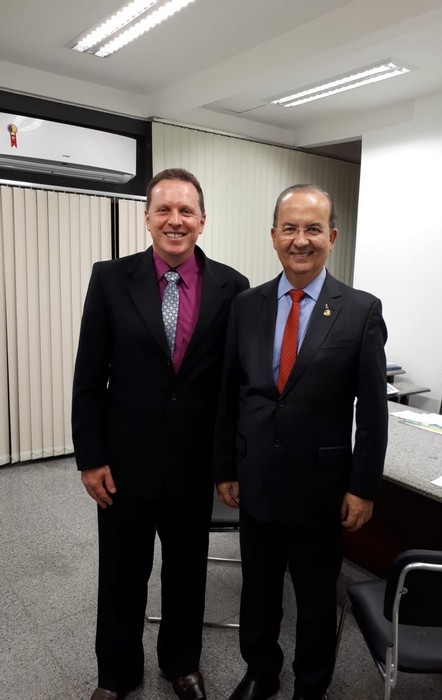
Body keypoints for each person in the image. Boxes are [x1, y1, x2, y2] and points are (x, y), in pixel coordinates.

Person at [72, 168, 249, 700]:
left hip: (193, 467)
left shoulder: (232, 287)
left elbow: (232, 387)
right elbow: (89, 377)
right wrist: (90, 458)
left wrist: (227, 465)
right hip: (123, 465)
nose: (176, 220)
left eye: (186, 210)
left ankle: (181, 663)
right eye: (164, 210)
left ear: (202, 220)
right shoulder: (110, 278)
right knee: (121, 574)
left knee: (187, 573)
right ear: (147, 217)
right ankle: (116, 674)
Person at [213, 184, 388, 700]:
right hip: (256, 481)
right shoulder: (246, 305)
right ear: (273, 236)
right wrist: (226, 467)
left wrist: (363, 487)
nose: (301, 240)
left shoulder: (360, 310)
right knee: (258, 589)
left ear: (332, 237)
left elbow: (372, 412)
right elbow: (230, 394)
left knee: (314, 598)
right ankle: (261, 671)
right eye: (290, 228)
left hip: (321, 488)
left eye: (313, 228)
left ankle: (312, 684)